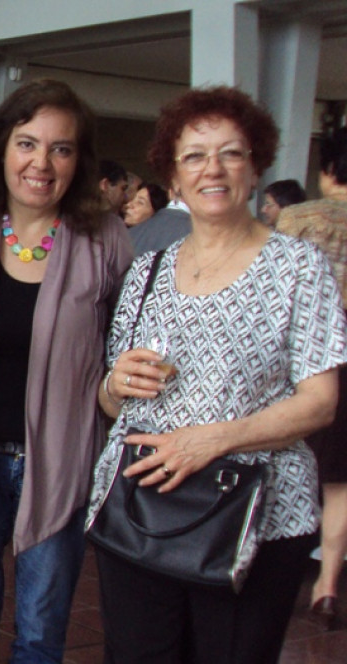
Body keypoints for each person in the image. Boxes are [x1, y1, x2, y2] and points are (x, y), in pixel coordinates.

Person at [92, 87, 346, 662]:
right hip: (140, 506)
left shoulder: (297, 267)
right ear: (173, 178)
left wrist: (206, 441)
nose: (213, 169)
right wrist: (114, 385)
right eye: (194, 156)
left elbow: (320, 402)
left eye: (231, 153)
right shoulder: (147, 270)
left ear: (255, 168)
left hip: (253, 518)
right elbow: (114, 401)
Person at [0, 79, 132, 663]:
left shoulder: (104, 239)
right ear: (2, 147)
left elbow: (129, 344)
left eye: (61, 148)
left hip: (61, 462)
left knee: (41, 634)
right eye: (27, 143)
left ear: (80, 161)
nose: (41, 164)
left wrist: (110, 396)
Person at [277, 127, 347, 629]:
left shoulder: (297, 217)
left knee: (286, 457)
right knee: (341, 481)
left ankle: (270, 570)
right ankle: (326, 589)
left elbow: (270, 290)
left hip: (302, 356)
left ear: (326, 170)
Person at [128, 188, 191, 256]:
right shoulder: (197, 235)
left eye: (140, 202)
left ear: (170, 193)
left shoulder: (129, 234)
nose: (129, 204)